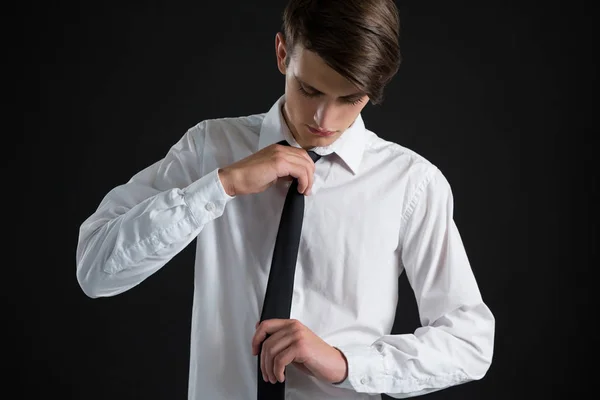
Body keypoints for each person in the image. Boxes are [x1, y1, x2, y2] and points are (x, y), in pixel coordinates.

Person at [76, 0, 495, 399]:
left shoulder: (411, 183)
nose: (323, 120)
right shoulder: (211, 148)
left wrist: (345, 363)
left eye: (349, 99)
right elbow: (95, 269)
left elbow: (469, 343)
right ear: (282, 53)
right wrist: (222, 184)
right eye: (309, 90)